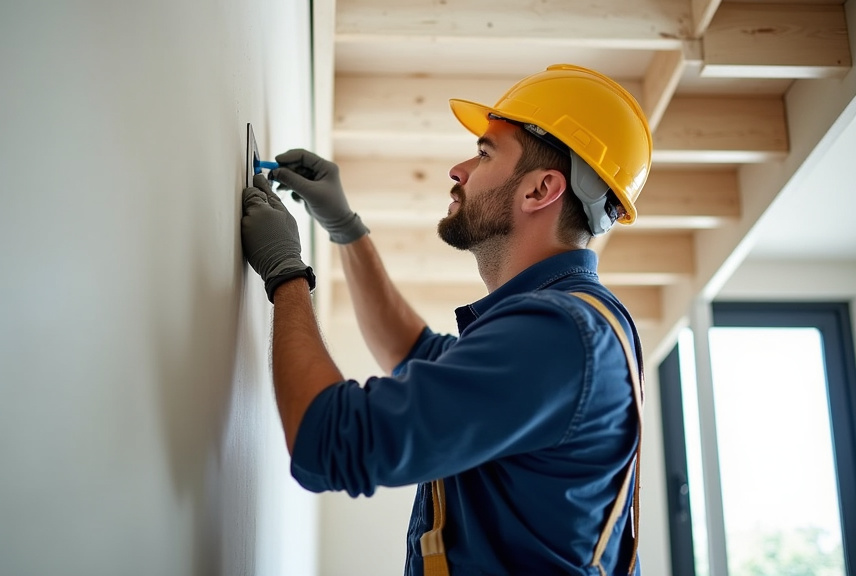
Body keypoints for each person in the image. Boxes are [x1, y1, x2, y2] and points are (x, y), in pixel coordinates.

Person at [240, 64, 651, 575]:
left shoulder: (559, 335)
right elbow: (413, 353)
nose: (458, 170)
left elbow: (326, 441)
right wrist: (344, 227)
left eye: (484, 153)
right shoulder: (572, 324)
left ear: (541, 189)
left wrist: (286, 275)